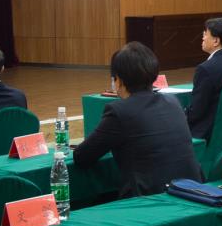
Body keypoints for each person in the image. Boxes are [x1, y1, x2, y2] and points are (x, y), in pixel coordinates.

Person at [75, 43, 201, 200]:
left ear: (118, 81)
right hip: (192, 191)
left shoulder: (119, 111)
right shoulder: (172, 101)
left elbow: (82, 156)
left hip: (149, 200)